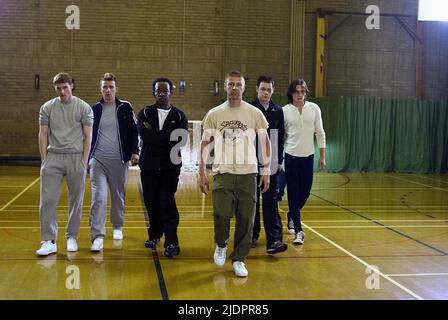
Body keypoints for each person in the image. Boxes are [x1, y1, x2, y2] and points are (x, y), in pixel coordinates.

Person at [199, 70, 271, 278]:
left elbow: (265, 143)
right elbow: (205, 144)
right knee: (221, 214)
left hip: (248, 174)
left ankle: (239, 258)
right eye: (230, 85)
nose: (234, 88)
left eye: (238, 85)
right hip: (223, 172)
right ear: (225, 86)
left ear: (244, 87)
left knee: (246, 219)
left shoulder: (254, 113)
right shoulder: (214, 114)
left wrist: (266, 171)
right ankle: (221, 244)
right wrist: (202, 172)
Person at [36, 72, 93, 256]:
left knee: (75, 200)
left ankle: (72, 237)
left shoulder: (83, 107)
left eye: (65, 88)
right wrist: (44, 159)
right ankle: (48, 240)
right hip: (53, 157)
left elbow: (88, 136)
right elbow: (43, 134)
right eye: (58, 89)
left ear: (71, 86)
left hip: (76, 158)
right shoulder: (47, 107)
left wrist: (84, 160)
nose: (62, 92)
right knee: (48, 200)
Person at [137, 77, 188, 258]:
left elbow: (181, 138)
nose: (161, 94)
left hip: (170, 168)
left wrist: (155, 135)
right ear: (153, 93)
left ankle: (172, 243)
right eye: (158, 91)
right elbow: (145, 135)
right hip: (148, 167)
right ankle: (155, 234)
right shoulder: (144, 113)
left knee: (167, 203)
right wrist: (167, 137)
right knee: (151, 202)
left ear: (170, 93)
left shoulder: (180, 116)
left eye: (165, 91)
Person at [88, 73, 139, 252]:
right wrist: (87, 157)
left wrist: (134, 152)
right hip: (97, 160)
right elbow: (86, 134)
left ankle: (117, 226)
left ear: (116, 89)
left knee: (118, 196)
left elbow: (135, 131)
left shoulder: (125, 107)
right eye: (104, 87)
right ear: (100, 89)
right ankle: (97, 236)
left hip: (119, 160)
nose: (108, 90)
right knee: (98, 198)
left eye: (111, 87)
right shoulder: (94, 109)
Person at [283, 79, 326, 245]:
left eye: (302, 92)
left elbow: (320, 133)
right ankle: (299, 231)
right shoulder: (285, 111)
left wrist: (322, 156)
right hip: (291, 157)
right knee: (293, 193)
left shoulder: (314, 109)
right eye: (296, 92)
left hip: (309, 157)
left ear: (306, 93)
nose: (299, 95)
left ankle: (291, 214)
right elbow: (281, 135)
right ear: (291, 93)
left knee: (305, 192)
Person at [249, 75, 287, 254]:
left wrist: (279, 160)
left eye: (269, 89)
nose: (265, 92)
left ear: (273, 91)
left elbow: (278, 138)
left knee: (270, 200)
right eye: (263, 89)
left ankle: (274, 240)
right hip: (249, 162)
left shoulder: (277, 111)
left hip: (270, 163)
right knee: (251, 201)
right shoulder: (248, 108)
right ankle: (252, 236)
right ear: (257, 89)